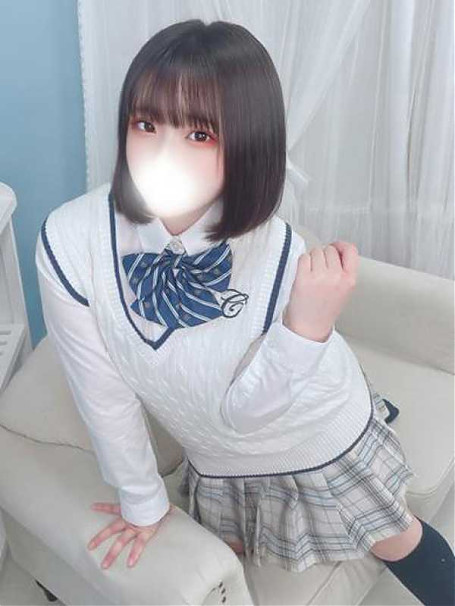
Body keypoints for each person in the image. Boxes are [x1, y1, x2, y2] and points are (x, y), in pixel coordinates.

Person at [36, 19, 454, 605]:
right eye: (146, 124)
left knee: (394, 536)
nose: (162, 154)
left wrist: (308, 327)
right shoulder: (69, 240)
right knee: (224, 553)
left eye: (199, 134)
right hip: (215, 457)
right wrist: (142, 502)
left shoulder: (274, 249)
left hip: (309, 431)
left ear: (247, 142)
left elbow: (249, 414)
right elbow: (101, 391)